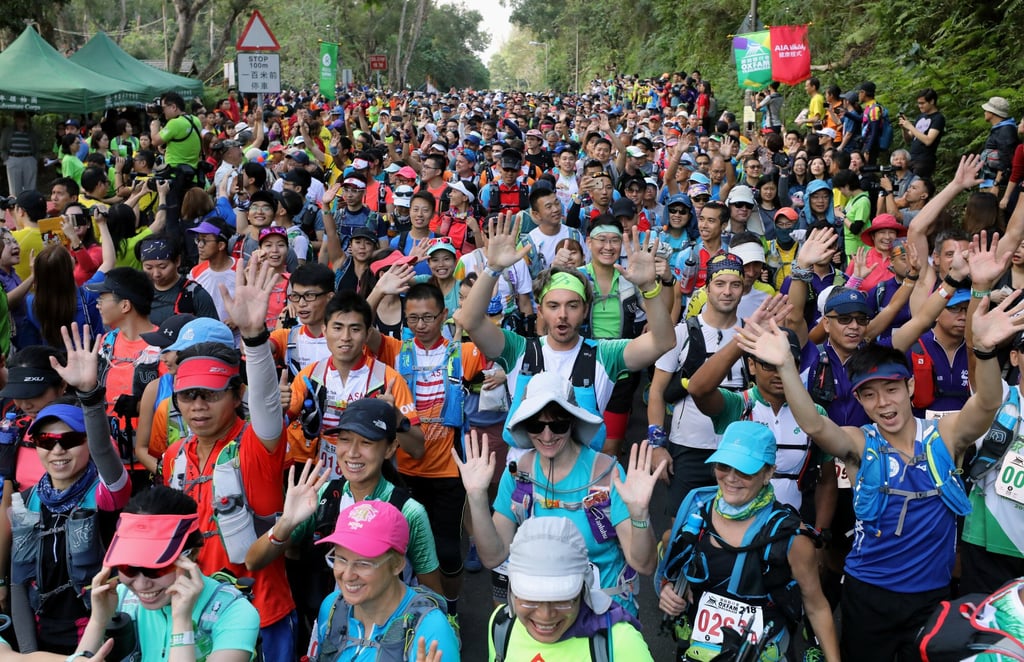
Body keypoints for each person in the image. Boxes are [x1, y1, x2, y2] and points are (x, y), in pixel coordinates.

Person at [736, 233, 1024, 660]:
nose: (883, 404)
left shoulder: (943, 435)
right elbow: (814, 424)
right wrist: (785, 366)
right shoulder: (860, 443)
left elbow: (986, 403)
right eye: (869, 395)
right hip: (867, 595)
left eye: (890, 390)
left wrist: (982, 351)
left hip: (931, 599)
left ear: (909, 388)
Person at [160, 259, 295, 659]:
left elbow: (268, 408)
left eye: (211, 394)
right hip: (197, 615)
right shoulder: (173, 456)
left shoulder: (255, 445)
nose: (198, 405)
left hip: (262, 614)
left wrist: (254, 339)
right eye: (188, 395)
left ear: (237, 396)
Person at [455, 370, 665, 616]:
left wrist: (640, 515)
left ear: (572, 422)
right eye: (536, 425)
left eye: (558, 424)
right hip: (544, 617)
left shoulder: (607, 474)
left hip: (604, 614)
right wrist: (477, 497)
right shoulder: (518, 473)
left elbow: (644, 564)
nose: (547, 436)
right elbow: (493, 557)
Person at [656, 421, 840, 662]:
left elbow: (816, 606)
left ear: (768, 473)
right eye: (724, 465)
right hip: (697, 653)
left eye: (745, 470)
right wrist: (668, 589)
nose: (731, 478)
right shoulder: (696, 509)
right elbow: (671, 557)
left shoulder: (791, 535)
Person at [9, 323, 132, 654]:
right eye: (46, 440)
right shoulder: (27, 501)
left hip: (98, 635)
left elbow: (104, 452)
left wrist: (89, 394)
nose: (58, 450)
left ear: (87, 441)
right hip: (42, 636)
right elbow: (19, 584)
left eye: (71, 439)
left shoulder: (107, 493)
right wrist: (28, 654)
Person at [73, 486, 260, 662]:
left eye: (156, 569)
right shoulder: (119, 598)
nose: (141, 584)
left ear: (192, 554)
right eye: (128, 567)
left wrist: (182, 622)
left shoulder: (235, 612)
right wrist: (98, 621)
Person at [307, 500, 460, 661]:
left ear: (397, 564)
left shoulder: (431, 631)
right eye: (341, 559)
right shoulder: (331, 608)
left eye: (363, 563)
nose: (347, 575)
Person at [488, 516, 654, 661]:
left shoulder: (621, 642)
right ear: (512, 592)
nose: (545, 615)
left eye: (562, 600)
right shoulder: (501, 626)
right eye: (530, 599)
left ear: (583, 590)